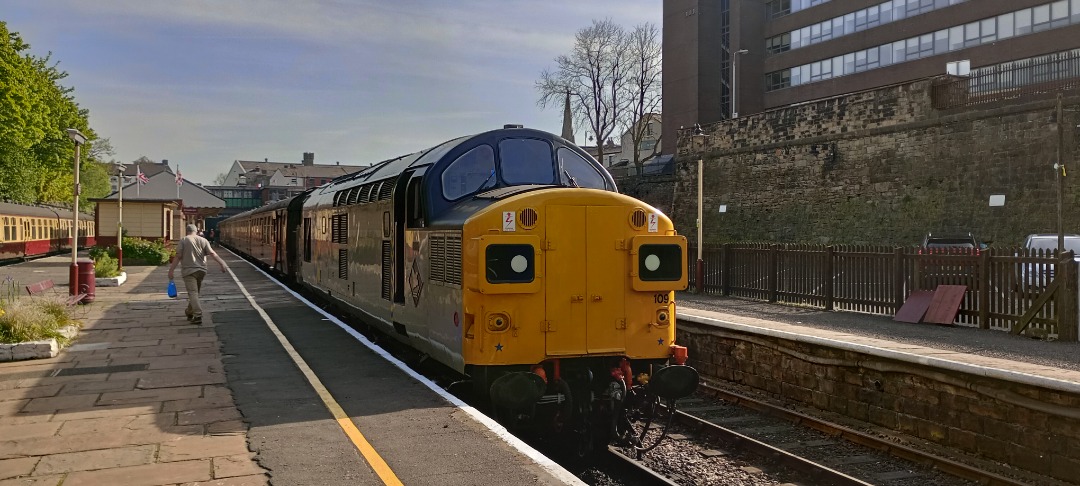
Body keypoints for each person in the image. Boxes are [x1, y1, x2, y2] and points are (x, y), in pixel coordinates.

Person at [168, 224, 227, 324]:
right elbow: (212, 253)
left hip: (189, 271)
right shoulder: (203, 240)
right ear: (196, 231)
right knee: (195, 293)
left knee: (193, 293)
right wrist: (222, 263)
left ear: (187, 231)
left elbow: (178, 256)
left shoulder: (184, 240)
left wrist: (171, 270)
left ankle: (198, 315)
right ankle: (189, 312)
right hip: (202, 270)